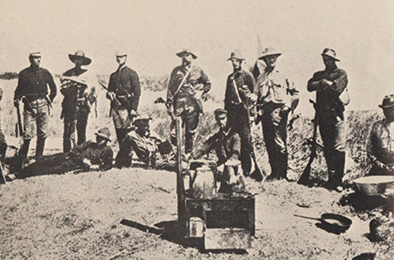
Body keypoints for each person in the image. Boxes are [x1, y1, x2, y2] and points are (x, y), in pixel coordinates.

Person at [252, 47, 299, 180]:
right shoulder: (261, 78)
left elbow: (295, 93)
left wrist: (288, 106)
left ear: (276, 59)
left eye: (273, 57)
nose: (271, 60)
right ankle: (274, 173)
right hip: (264, 112)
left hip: (279, 112)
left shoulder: (283, 74)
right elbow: (255, 96)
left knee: (279, 143)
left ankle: (282, 174)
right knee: (269, 142)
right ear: (265, 60)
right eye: (268, 58)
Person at [307, 48, 348, 190]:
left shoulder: (341, 74)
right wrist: (322, 83)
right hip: (323, 116)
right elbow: (309, 85)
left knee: (339, 148)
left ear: (334, 60)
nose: (327, 61)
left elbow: (337, 88)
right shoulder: (319, 75)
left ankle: (339, 180)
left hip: (336, 115)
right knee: (328, 148)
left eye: (329, 59)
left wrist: (326, 84)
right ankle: (331, 178)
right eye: (325, 58)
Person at [6, 127, 113, 180]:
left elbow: (107, 166)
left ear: (106, 140)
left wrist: (95, 167)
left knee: (43, 169)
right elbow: (75, 150)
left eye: (102, 138)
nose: (99, 140)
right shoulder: (89, 143)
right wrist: (83, 159)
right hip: (66, 157)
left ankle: (16, 174)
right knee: (39, 159)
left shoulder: (107, 151)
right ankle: (9, 164)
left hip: (71, 166)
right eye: (98, 137)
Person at [166, 48, 211, 157]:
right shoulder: (176, 71)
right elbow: (171, 88)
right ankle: (178, 153)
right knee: (174, 131)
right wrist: (169, 103)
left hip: (192, 104)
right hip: (179, 103)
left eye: (187, 55)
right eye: (183, 55)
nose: (185, 57)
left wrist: (200, 93)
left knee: (190, 131)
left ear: (192, 57)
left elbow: (208, 84)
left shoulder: (198, 70)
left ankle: (188, 154)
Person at [14, 52, 57, 158]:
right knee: (27, 134)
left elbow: (53, 88)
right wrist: (16, 98)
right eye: (35, 58)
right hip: (29, 105)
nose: (38, 60)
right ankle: (22, 158)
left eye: (39, 58)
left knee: (42, 133)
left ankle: (39, 158)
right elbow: (19, 89)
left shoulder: (45, 72)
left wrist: (49, 100)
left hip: (43, 104)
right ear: (30, 60)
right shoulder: (24, 74)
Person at [192, 109, 245, 193]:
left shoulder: (235, 136)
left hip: (233, 170)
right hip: (222, 169)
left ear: (228, 119)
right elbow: (206, 146)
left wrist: (224, 166)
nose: (220, 122)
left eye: (223, 118)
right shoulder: (218, 136)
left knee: (234, 193)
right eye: (218, 119)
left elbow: (235, 155)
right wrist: (193, 156)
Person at [224, 49, 257, 176]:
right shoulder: (230, 78)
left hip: (244, 112)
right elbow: (227, 98)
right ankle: (234, 167)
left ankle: (247, 169)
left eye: (237, 61)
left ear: (241, 62)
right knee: (232, 139)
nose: (234, 63)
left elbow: (254, 97)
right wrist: (226, 114)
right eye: (233, 61)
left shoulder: (248, 76)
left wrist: (253, 114)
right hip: (232, 113)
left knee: (246, 140)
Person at [61, 50, 97, 152]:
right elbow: (63, 89)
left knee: (81, 131)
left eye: (80, 59)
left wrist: (87, 98)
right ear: (74, 60)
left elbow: (93, 91)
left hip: (82, 106)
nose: (78, 62)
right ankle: (66, 155)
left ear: (83, 61)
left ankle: (81, 154)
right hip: (69, 106)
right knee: (68, 131)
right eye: (77, 59)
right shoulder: (67, 73)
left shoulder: (87, 75)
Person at [106, 51, 141, 147]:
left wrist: (134, 108)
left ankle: (127, 154)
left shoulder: (132, 73)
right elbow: (109, 91)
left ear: (126, 57)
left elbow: (137, 92)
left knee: (127, 131)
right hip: (115, 107)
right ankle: (122, 153)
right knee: (118, 131)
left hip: (126, 106)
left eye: (121, 57)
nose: (119, 59)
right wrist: (109, 94)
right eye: (117, 57)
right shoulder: (113, 76)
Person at [366, 95, 394, 175]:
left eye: (390, 109)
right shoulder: (377, 126)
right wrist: (378, 163)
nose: (388, 112)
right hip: (381, 168)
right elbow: (370, 150)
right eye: (385, 109)